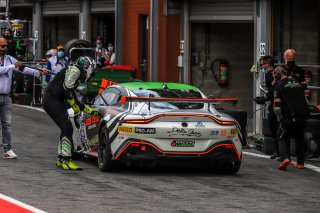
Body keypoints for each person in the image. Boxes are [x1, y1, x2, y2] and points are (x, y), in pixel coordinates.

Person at [42, 56, 99, 170]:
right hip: (51, 99)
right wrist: (75, 106)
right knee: (67, 126)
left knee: (65, 127)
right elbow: (67, 88)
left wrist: (89, 110)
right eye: (92, 73)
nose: (91, 76)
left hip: (53, 99)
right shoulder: (76, 70)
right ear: (88, 67)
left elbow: (73, 96)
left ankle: (61, 158)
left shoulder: (74, 70)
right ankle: (66, 159)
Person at [0, 37, 48, 158]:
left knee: (7, 124)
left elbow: (23, 68)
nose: (5, 48)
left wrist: (39, 72)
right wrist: (12, 67)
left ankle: (8, 149)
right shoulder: (11, 63)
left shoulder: (10, 59)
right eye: (2, 46)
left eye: (6, 46)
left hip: (6, 97)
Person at [273, 66, 310, 170]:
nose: (274, 78)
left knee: (281, 135)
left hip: (290, 116)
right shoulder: (297, 83)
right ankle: (300, 163)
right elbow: (305, 100)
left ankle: (285, 158)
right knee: (300, 138)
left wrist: (280, 120)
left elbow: (277, 107)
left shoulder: (279, 85)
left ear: (278, 75)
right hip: (303, 115)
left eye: (275, 75)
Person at [256, 55, 280, 159]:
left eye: (262, 64)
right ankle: (279, 151)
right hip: (278, 101)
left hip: (277, 102)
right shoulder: (278, 73)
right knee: (275, 126)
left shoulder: (270, 74)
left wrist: (264, 98)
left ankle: (279, 151)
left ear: (267, 64)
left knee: (274, 125)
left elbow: (274, 88)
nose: (261, 67)